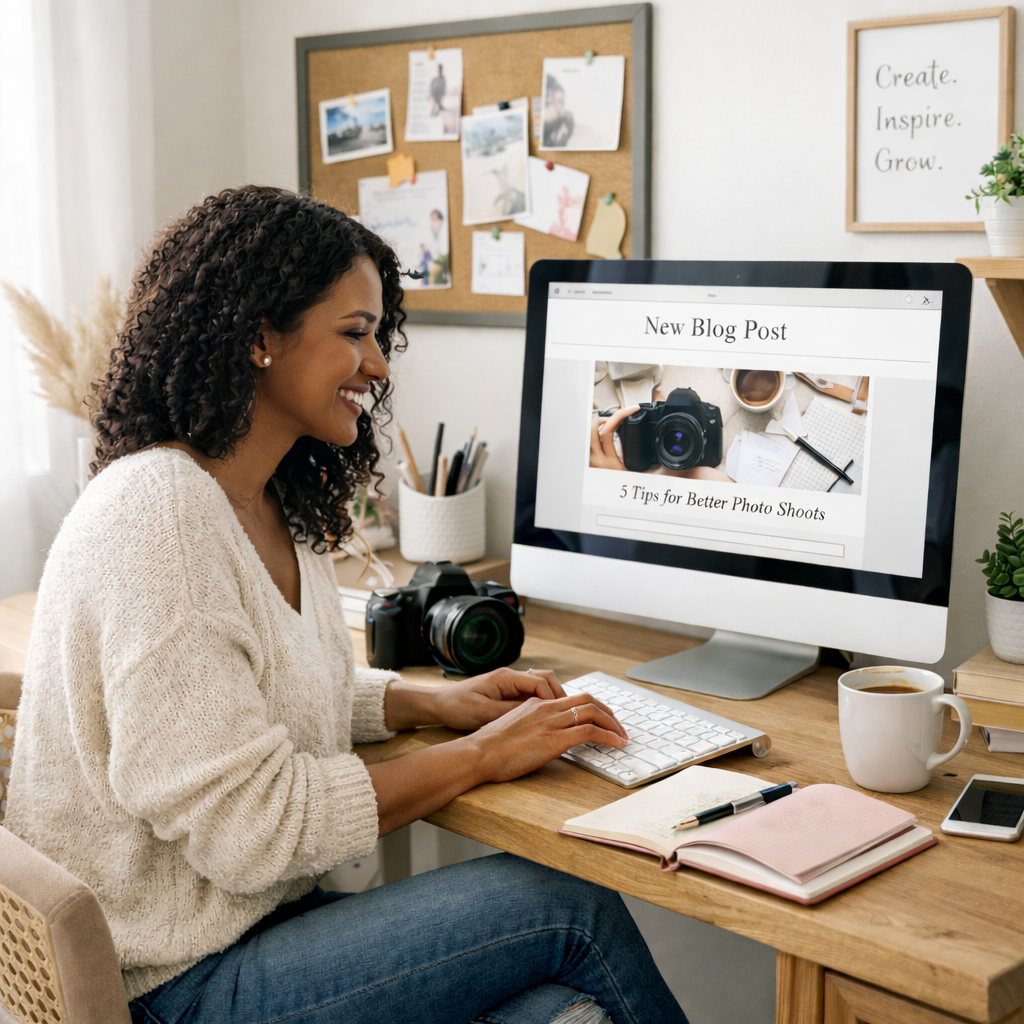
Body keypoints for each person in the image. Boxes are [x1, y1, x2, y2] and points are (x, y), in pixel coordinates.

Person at [6, 186, 689, 1024]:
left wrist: (429, 704)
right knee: (567, 907)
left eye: (378, 336)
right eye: (354, 334)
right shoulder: (163, 516)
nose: (379, 366)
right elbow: (254, 827)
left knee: (561, 1011)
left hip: (248, 940)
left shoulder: (258, 500)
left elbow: (260, 690)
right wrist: (478, 757)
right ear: (260, 336)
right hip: (171, 987)